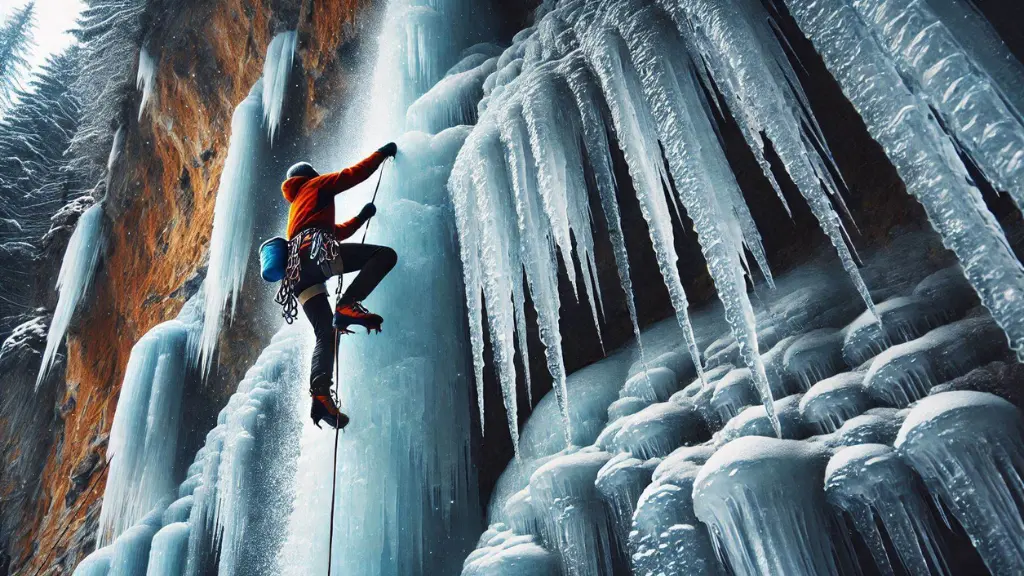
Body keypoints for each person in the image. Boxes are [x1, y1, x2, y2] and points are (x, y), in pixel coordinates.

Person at [279, 142, 399, 430]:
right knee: (384, 255)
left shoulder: (297, 207)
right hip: (316, 256)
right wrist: (380, 154)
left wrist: (361, 218)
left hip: (298, 275)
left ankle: (320, 393)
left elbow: (335, 231)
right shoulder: (317, 185)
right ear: (311, 175)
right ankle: (348, 303)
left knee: (326, 333)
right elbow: (351, 175)